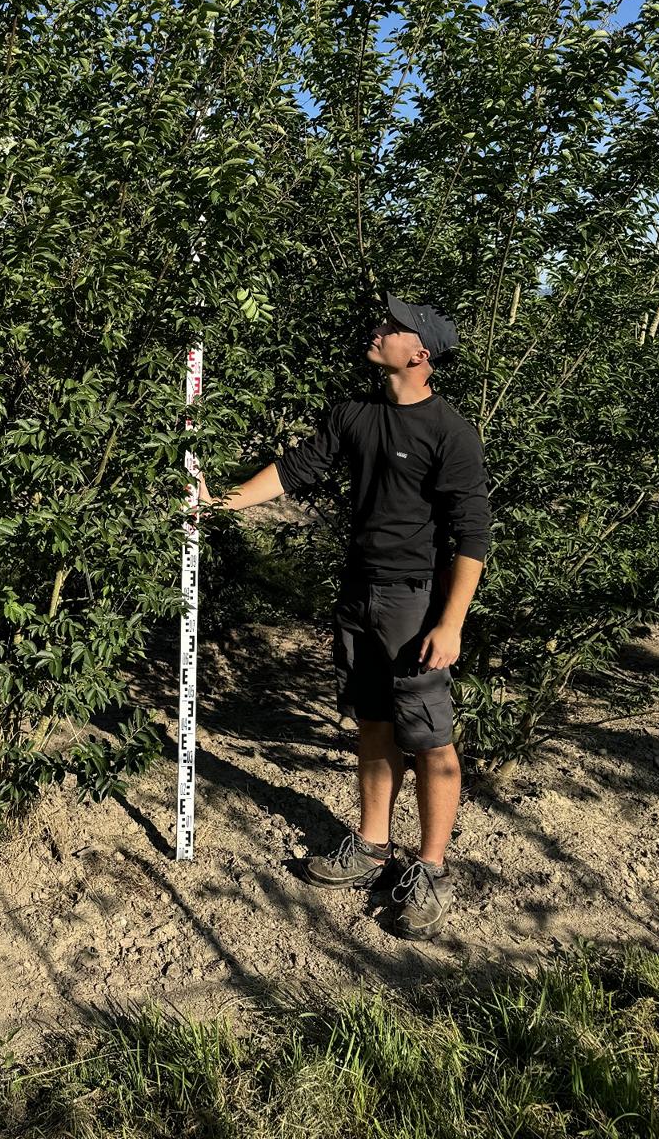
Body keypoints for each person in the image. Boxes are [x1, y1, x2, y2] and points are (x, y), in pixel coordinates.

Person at [197, 293, 491, 938]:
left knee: (429, 735)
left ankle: (431, 870)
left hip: (414, 600)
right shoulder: (354, 414)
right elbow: (295, 471)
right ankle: (372, 846)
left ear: (419, 353)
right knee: (373, 722)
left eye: (392, 327)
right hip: (358, 592)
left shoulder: (450, 432)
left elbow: (472, 535)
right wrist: (220, 502)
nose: (378, 329)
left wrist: (451, 622)